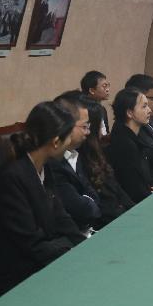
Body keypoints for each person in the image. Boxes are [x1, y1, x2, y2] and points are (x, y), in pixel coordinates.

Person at [0, 101, 86, 299]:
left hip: (44, 260)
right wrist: (69, 248)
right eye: (67, 137)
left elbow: (61, 217)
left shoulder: (44, 166)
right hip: (17, 277)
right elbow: (30, 244)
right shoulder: (11, 178)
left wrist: (84, 246)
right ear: (55, 142)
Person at [48, 92, 101, 234]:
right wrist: (89, 202)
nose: (88, 132)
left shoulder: (75, 153)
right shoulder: (53, 163)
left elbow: (94, 196)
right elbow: (80, 210)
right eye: (84, 126)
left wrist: (89, 202)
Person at [77, 96, 133, 227]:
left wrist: (135, 211)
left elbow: (117, 189)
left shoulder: (98, 152)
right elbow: (103, 207)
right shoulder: (80, 158)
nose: (103, 129)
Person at [81, 70, 111, 140]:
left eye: (108, 85)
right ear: (92, 90)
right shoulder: (85, 111)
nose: (107, 89)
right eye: (104, 86)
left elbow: (105, 133)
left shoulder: (102, 109)